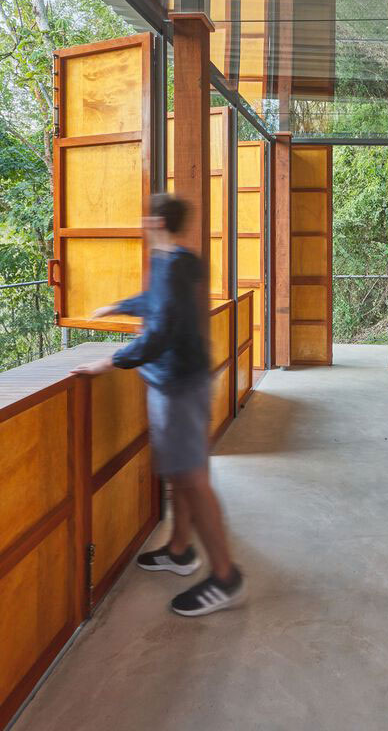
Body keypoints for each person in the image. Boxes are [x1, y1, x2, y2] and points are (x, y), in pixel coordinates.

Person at [73, 193, 246, 617]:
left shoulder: (170, 267)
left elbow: (160, 331)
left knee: (190, 478)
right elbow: (158, 304)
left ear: (154, 222)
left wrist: (109, 361)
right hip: (187, 381)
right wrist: (120, 305)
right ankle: (181, 549)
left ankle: (224, 576)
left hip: (177, 386)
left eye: (145, 220)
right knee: (183, 473)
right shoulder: (182, 261)